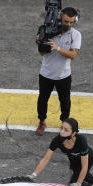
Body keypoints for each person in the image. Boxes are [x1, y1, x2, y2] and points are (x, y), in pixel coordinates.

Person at [34, 7, 81, 136]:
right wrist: (41, 42)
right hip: (46, 74)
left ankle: (65, 123)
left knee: (65, 101)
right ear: (60, 18)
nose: (69, 25)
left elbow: (73, 55)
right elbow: (42, 53)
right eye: (66, 22)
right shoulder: (48, 31)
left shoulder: (76, 35)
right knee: (43, 99)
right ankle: (42, 121)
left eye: (71, 22)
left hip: (63, 75)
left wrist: (58, 48)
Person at [29, 118, 93, 186]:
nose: (61, 132)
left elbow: (84, 166)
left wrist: (78, 184)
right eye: (61, 128)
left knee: (73, 183)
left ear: (73, 133)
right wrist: (33, 174)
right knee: (77, 173)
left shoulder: (81, 141)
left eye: (66, 130)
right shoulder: (57, 140)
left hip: (87, 158)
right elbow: (45, 159)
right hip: (73, 159)